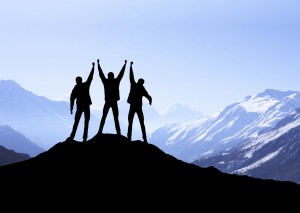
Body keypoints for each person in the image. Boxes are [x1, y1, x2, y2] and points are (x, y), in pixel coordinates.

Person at [97, 59, 127, 135]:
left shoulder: (106, 81)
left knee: (104, 117)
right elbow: (121, 74)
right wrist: (125, 65)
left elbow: (101, 74)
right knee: (115, 118)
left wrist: (98, 64)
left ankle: (100, 131)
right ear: (113, 76)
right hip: (114, 102)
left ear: (108, 76)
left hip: (108, 102)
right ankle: (118, 133)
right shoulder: (116, 81)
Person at [68, 62, 95, 142]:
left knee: (77, 122)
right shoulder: (85, 85)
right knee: (86, 122)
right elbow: (91, 77)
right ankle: (84, 138)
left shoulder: (76, 88)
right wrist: (93, 68)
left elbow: (72, 99)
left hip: (80, 106)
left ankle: (72, 136)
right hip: (86, 105)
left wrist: (71, 108)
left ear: (76, 81)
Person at [127, 61, 152, 143]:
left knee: (130, 122)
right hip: (138, 107)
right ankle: (145, 139)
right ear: (142, 83)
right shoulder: (142, 88)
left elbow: (131, 76)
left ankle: (129, 138)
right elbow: (148, 96)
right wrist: (150, 101)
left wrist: (130, 67)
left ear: (138, 81)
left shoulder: (134, 85)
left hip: (132, 106)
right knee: (141, 123)